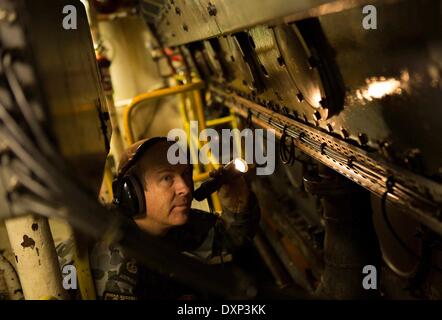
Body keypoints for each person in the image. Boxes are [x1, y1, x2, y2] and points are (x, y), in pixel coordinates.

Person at [57, 137, 260, 300]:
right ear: (131, 192)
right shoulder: (113, 257)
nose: (185, 188)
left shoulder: (174, 224)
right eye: (166, 178)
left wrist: (237, 205)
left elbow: (229, 244)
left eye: (185, 174)